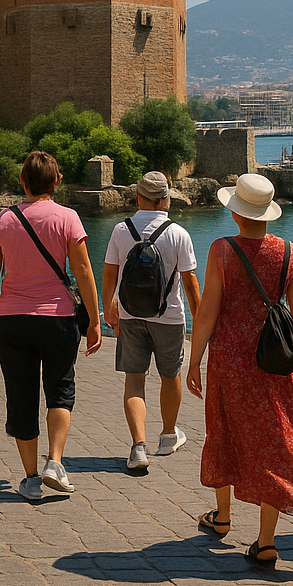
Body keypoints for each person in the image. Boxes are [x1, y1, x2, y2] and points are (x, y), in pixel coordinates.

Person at [187, 173, 293, 567]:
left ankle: (223, 517)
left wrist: (195, 359)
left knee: (224, 430)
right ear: (267, 214)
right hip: (275, 360)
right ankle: (265, 540)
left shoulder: (222, 250)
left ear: (235, 213)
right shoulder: (287, 250)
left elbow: (208, 312)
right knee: (275, 441)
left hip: (230, 361)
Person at [0, 151, 102, 500]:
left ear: (23, 182)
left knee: (21, 396)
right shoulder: (68, 218)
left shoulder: (3, 220)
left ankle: (32, 478)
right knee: (60, 390)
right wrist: (95, 319)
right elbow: (83, 271)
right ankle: (56, 462)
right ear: (57, 181)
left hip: (13, 319)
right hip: (58, 318)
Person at [100, 172, 201, 471]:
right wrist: (201, 321)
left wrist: (109, 307)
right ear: (167, 200)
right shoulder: (178, 233)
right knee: (171, 375)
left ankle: (138, 447)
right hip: (169, 318)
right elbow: (191, 283)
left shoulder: (121, 230)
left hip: (130, 316)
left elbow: (108, 274)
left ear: (138, 197)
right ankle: (169, 435)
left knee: (134, 380)